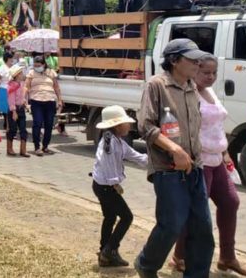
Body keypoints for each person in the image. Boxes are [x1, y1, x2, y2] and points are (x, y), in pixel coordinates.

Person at [169, 55, 246, 276]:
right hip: (199, 161)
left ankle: (227, 257)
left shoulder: (210, 92)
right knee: (197, 212)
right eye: (205, 72)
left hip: (216, 159)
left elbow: (216, 125)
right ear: (193, 70)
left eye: (214, 72)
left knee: (230, 202)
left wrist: (225, 152)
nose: (210, 76)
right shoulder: (187, 94)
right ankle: (180, 256)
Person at [134, 39, 214, 278]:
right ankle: (147, 265)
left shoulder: (192, 87)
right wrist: (175, 150)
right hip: (168, 169)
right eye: (191, 59)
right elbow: (145, 126)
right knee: (172, 225)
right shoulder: (157, 85)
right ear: (174, 60)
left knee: (203, 228)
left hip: (195, 167)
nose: (197, 63)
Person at [92, 105, 147, 267]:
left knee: (110, 217)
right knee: (127, 217)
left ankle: (105, 253)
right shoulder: (109, 142)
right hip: (105, 186)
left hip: (102, 185)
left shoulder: (118, 141)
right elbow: (106, 163)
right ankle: (109, 250)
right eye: (126, 123)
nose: (129, 126)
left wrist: (157, 161)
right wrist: (114, 183)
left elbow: (137, 157)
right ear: (117, 126)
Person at [25, 55, 63, 156]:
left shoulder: (51, 72)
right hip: (36, 101)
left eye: (38, 65)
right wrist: (25, 101)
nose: (37, 67)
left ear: (43, 64)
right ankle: (37, 147)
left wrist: (59, 100)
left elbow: (56, 87)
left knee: (49, 125)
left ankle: (45, 146)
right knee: (37, 123)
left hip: (50, 101)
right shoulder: (31, 73)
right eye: (35, 65)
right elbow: (26, 87)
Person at [6, 65, 29, 157]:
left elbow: (23, 96)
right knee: (12, 129)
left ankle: (23, 150)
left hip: (21, 108)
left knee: (23, 129)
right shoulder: (12, 85)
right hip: (14, 110)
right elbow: (11, 99)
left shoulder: (22, 84)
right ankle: (9, 148)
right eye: (20, 73)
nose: (22, 74)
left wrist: (25, 102)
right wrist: (14, 112)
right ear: (17, 75)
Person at [0, 52, 16, 130]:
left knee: (12, 108)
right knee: (6, 109)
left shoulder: (13, 67)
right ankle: (7, 126)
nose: (13, 60)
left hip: (13, 89)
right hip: (4, 88)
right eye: (11, 58)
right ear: (8, 59)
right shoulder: (2, 68)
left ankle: (11, 126)